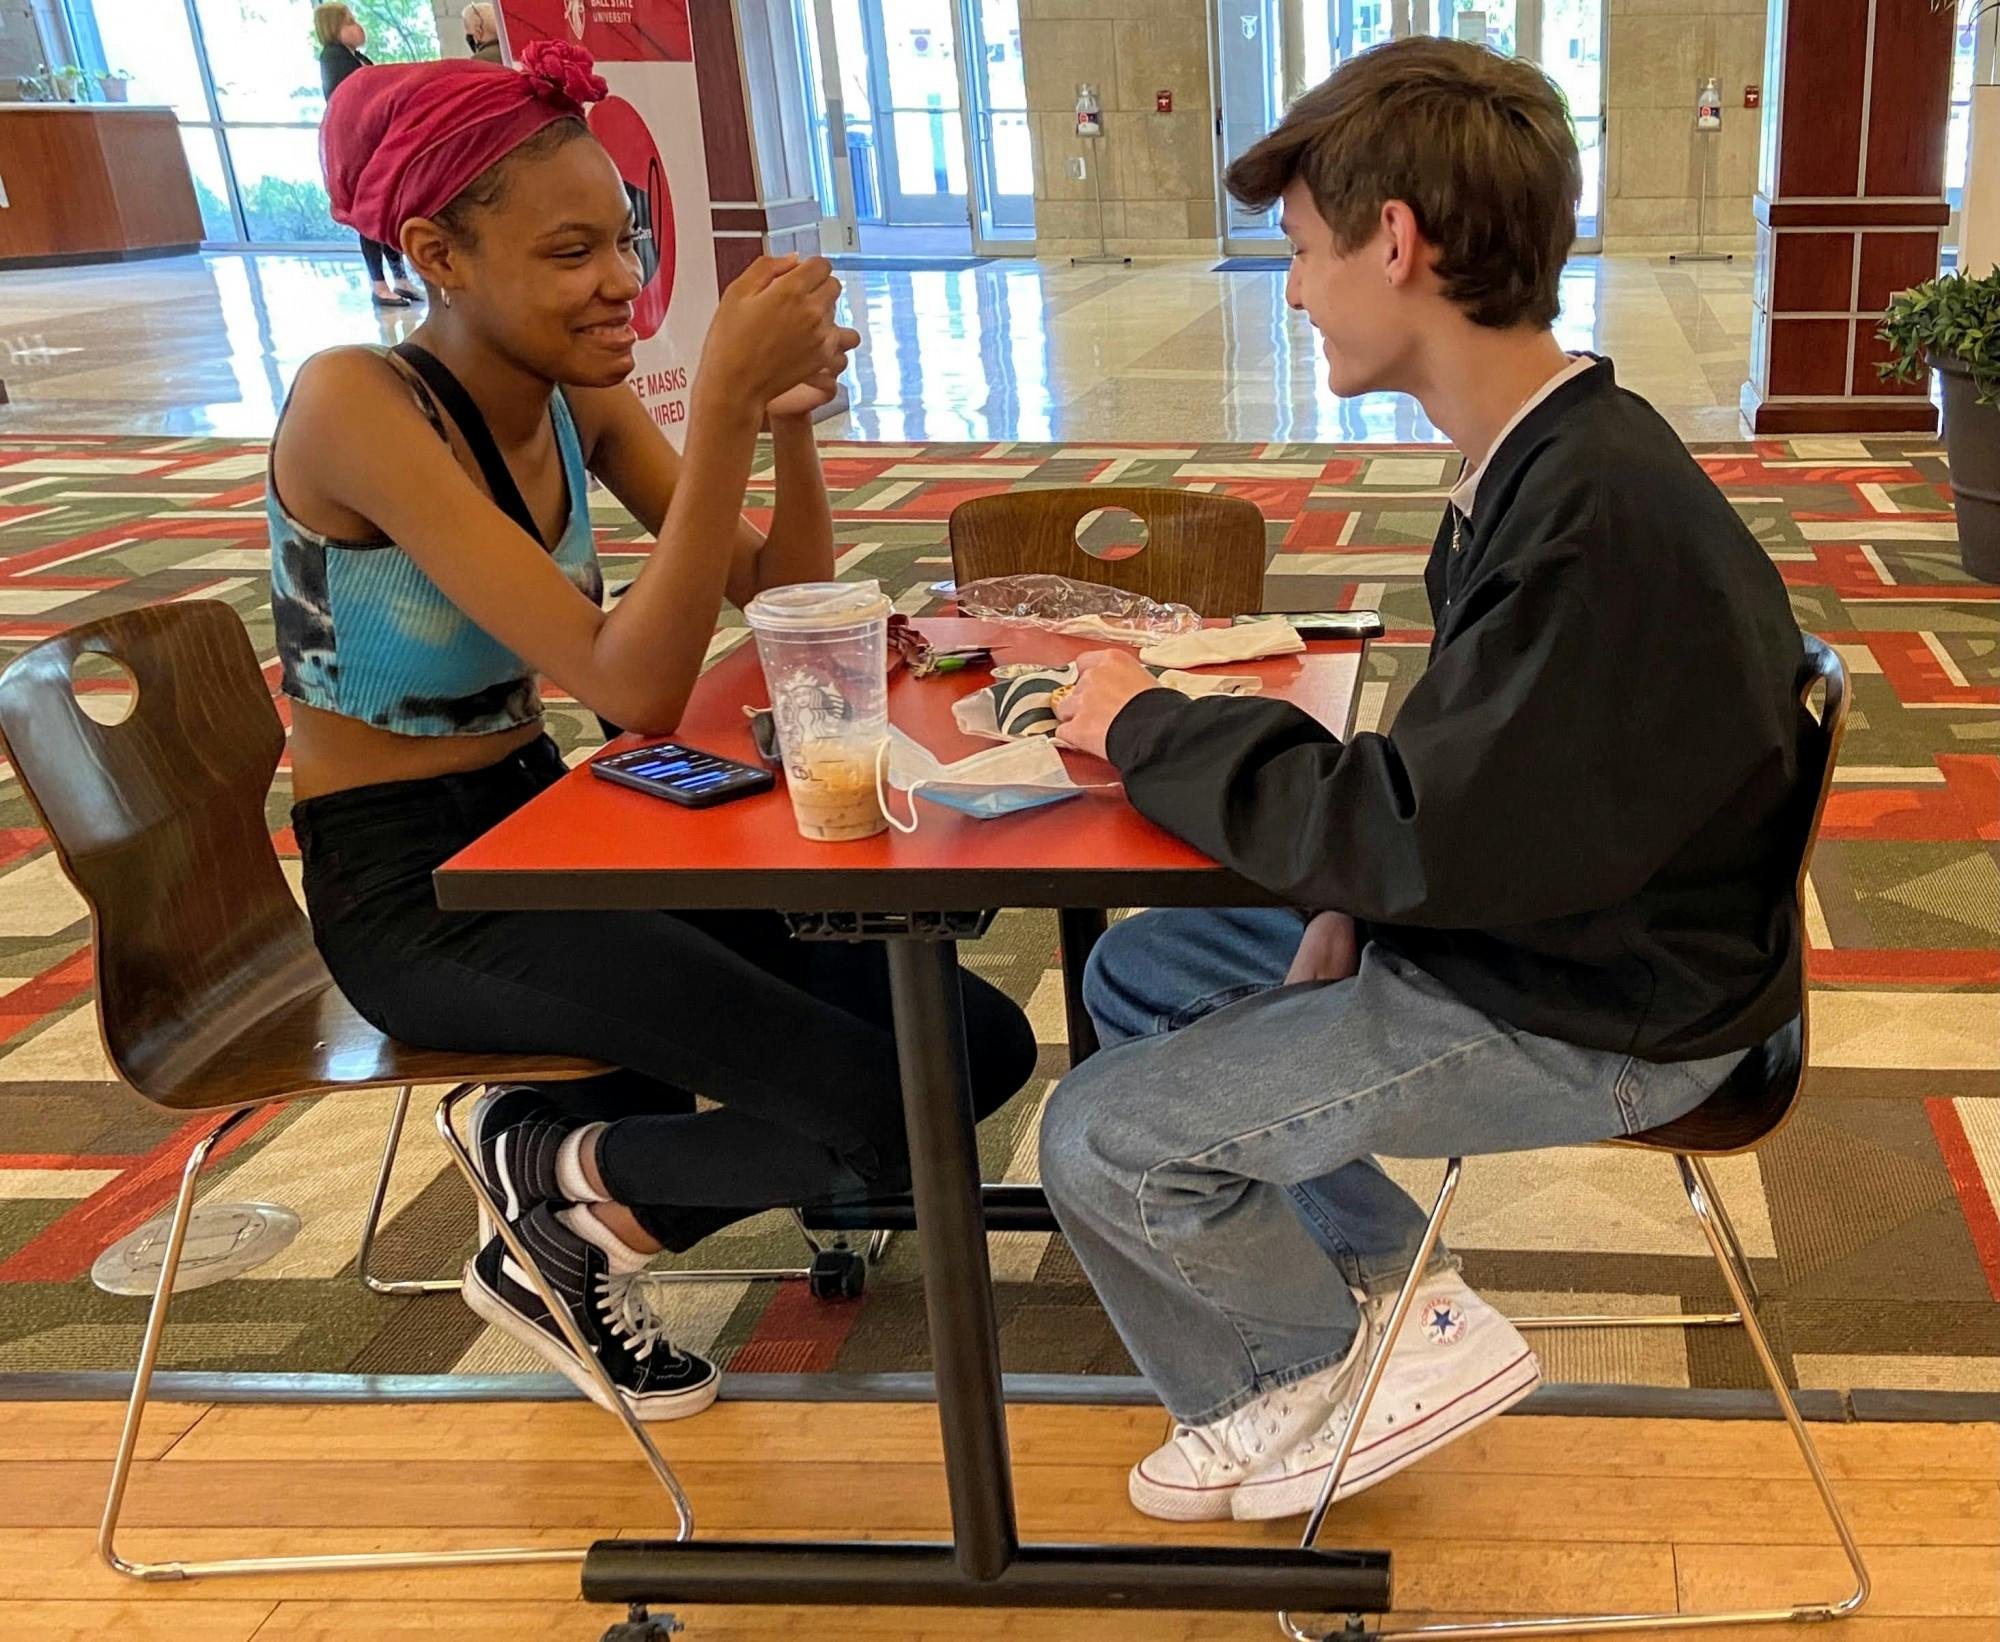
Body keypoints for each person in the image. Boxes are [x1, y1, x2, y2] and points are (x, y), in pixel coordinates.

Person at [1038, 36, 1812, 1525]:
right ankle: (1405, 1303)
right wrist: (1364, 903)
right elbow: (1456, 808)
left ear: (1396, 243)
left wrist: (1141, 723)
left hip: (1610, 1007)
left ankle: (1297, 1375)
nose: (1297, 286)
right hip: (1574, 924)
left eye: (1306, 250)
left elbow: (1405, 824)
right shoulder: (1553, 454)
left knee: (1100, 1139)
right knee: (1150, 977)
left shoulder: (1583, 513)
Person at [277, 43, 1037, 1421]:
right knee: (880, 1116)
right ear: (438, 252)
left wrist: (789, 425)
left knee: (971, 1041)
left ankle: (573, 1200)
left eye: (622, 239)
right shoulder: (357, 406)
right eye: (572, 252)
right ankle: (552, 1190)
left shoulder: (573, 393)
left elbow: (782, 598)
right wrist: (731, 404)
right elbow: (631, 684)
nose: (625, 281)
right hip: (414, 891)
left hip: (551, 825)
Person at [315, 3, 424, 308]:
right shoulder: (335, 59)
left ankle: (399, 277)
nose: (357, 27)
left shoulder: (354, 57)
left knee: (387, 209)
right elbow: (354, 101)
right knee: (370, 213)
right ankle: (379, 283)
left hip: (374, 144)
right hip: (359, 149)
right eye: (350, 21)